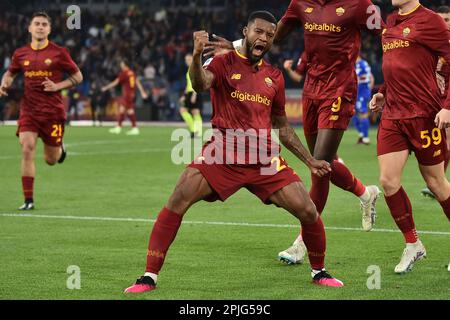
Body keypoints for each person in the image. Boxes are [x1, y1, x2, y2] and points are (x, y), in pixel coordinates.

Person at [124, 11, 344, 294]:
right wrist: (196, 54)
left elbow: (281, 124)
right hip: (223, 154)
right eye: (258, 32)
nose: (263, 38)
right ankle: (148, 277)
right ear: (246, 31)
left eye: (269, 35)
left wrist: (310, 160)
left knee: (308, 210)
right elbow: (201, 84)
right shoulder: (223, 61)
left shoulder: (274, 77)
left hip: (264, 159)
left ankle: (319, 271)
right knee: (178, 199)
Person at [370, 0, 450, 273]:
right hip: (393, 115)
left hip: (424, 115)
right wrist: (382, 92)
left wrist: (448, 106)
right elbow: (396, 66)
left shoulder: (431, 21)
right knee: (388, 181)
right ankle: (413, 244)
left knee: (437, 183)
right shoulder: (390, 21)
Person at [0, 12, 83, 210]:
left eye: (44, 24)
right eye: (36, 23)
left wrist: (58, 86)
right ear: (29, 28)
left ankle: (60, 149)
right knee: (27, 148)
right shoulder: (21, 54)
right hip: (29, 110)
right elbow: (11, 73)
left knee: (51, 160)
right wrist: (4, 83)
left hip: (52, 112)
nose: (40, 27)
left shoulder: (59, 53)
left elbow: (78, 76)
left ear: (49, 29)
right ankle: (28, 200)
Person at [421, 5, 450, 198]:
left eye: (447, 20)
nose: (443, 24)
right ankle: (438, 182)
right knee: (444, 140)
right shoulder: (431, 43)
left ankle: (438, 183)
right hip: (438, 99)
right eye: (440, 20)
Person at [101, 59, 148, 135]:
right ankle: (119, 127)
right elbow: (137, 82)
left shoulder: (125, 73)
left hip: (127, 94)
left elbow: (116, 82)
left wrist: (106, 87)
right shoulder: (132, 72)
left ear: (125, 65)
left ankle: (134, 128)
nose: (121, 66)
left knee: (129, 111)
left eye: (122, 64)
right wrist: (142, 92)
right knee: (122, 110)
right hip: (132, 94)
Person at [179, 53, 203, 138]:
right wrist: (184, 95)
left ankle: (196, 131)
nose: (187, 61)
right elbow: (188, 84)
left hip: (194, 92)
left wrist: (194, 94)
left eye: (189, 59)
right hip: (189, 92)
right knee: (191, 111)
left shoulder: (195, 69)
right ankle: (195, 131)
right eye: (186, 60)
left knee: (190, 111)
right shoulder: (190, 69)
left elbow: (197, 82)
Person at [353, 55, 374, 145]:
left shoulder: (360, 65)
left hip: (361, 92)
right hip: (363, 92)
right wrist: (369, 90)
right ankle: (362, 134)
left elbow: (356, 78)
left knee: (362, 113)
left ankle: (365, 138)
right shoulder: (365, 64)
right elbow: (372, 78)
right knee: (352, 112)